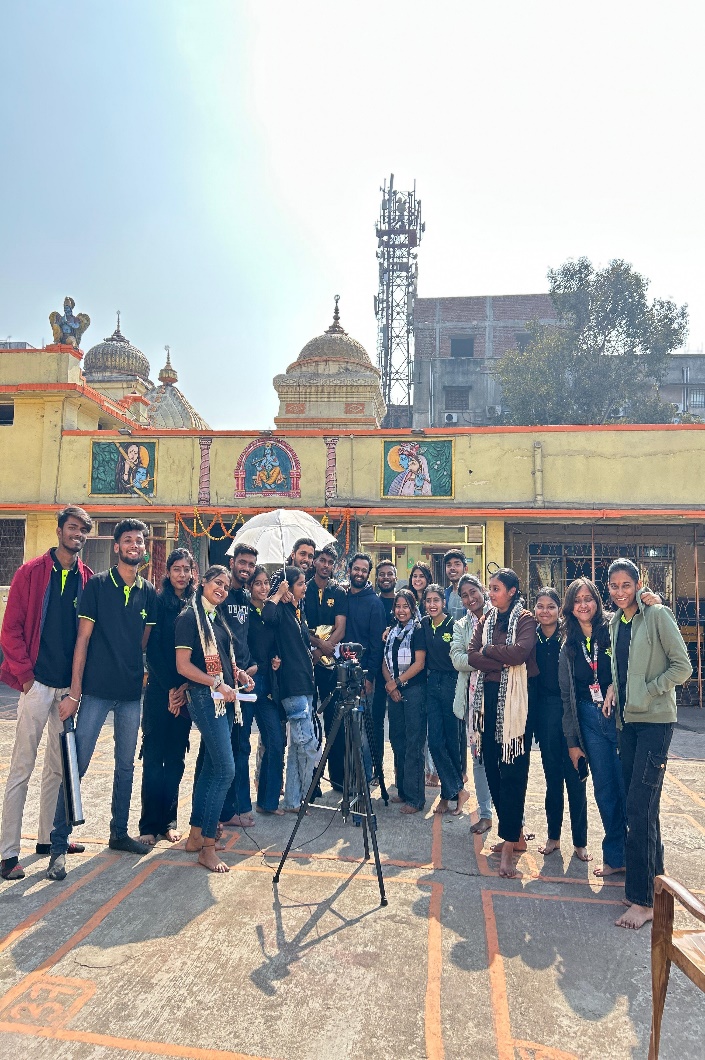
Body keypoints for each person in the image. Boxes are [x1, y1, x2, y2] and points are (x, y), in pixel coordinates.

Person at [46, 519, 159, 881]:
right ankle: (58, 846)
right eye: (128, 540)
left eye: (139, 541)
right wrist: (75, 692)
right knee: (76, 766)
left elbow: (142, 642)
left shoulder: (148, 592)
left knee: (125, 766)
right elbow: (82, 641)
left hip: (130, 695)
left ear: (144, 548)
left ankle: (119, 833)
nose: (134, 545)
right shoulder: (97, 585)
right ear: (116, 547)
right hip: (95, 692)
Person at [0, 506, 93, 881]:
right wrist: (25, 677)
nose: (78, 534)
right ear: (59, 531)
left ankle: (46, 839)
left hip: (66, 691)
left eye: (83, 530)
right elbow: (11, 629)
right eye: (72, 527)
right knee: (22, 767)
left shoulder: (87, 579)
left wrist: (77, 689)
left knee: (58, 767)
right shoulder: (30, 573)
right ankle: (8, 853)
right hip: (36, 684)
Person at [604, 559, 691, 931]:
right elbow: (624, 669)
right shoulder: (615, 623)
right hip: (628, 723)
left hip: (655, 721)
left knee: (639, 809)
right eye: (614, 586)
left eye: (627, 584)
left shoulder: (657, 615)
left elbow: (682, 667)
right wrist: (615, 688)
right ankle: (655, 886)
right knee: (643, 808)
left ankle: (642, 901)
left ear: (638, 584)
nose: (620, 591)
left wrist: (649, 690)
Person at [176, 566, 254, 872]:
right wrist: (216, 684)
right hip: (205, 699)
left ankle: (196, 836)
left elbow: (222, 659)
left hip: (222, 700)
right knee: (225, 770)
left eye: (225, 585)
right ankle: (207, 848)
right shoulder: (189, 618)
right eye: (216, 583)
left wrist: (239, 674)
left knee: (212, 769)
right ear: (203, 583)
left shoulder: (215, 617)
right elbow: (183, 666)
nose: (221, 589)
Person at [468, 568, 537, 878]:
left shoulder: (525, 619)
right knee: (492, 768)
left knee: (513, 771)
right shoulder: (486, 619)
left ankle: (509, 844)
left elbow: (520, 653)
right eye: (490, 588)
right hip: (488, 699)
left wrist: (489, 652)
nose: (490, 593)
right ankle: (514, 832)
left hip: (516, 703)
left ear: (512, 591)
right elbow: (471, 655)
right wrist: (500, 659)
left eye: (496, 588)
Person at [559, 577, 626, 881]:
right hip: (588, 718)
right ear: (570, 607)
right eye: (577, 600)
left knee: (628, 787)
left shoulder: (614, 628)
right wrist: (573, 741)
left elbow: (631, 663)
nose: (583, 605)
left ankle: (639, 859)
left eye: (588, 598)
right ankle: (615, 857)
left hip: (620, 717)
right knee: (605, 789)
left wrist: (614, 686)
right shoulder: (569, 645)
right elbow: (567, 696)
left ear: (597, 602)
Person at [137, 548, 196, 847]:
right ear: (168, 572)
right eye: (177, 569)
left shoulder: (196, 605)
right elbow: (153, 651)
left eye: (186, 569)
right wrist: (172, 689)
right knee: (153, 758)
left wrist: (184, 688)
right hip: (160, 692)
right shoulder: (158, 603)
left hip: (186, 692)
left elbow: (199, 652)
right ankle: (149, 824)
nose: (182, 575)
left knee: (175, 759)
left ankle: (169, 822)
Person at [532, 587, 590, 863]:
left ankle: (580, 841)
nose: (545, 611)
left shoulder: (570, 637)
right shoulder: (530, 637)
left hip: (572, 714)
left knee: (577, 780)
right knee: (552, 780)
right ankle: (553, 836)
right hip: (544, 716)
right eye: (540, 606)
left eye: (551, 606)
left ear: (559, 610)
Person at [205, 542, 258, 828]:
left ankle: (238, 807)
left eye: (251, 564)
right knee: (219, 751)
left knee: (241, 746)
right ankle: (220, 813)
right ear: (232, 562)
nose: (246, 568)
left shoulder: (247, 598)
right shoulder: (220, 597)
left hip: (243, 681)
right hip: (221, 682)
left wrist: (252, 665)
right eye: (243, 562)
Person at [263, 567, 317, 813]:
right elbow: (267, 615)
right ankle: (303, 795)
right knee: (307, 743)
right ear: (287, 586)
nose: (305, 587)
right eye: (300, 583)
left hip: (306, 684)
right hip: (292, 687)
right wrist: (278, 594)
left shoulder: (297, 610)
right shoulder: (280, 610)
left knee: (298, 746)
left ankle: (295, 800)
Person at [451, 574, 494, 834]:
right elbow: (458, 660)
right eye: (464, 596)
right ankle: (486, 814)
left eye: (473, 592)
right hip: (473, 700)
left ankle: (516, 822)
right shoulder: (461, 625)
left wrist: (476, 657)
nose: (470, 599)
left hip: (501, 697)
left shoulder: (500, 616)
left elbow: (511, 654)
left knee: (505, 758)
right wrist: (491, 659)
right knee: (479, 759)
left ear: (483, 590)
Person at [422, 585, 469, 816]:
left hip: (452, 683)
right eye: (428, 600)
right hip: (432, 684)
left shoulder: (454, 625)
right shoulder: (423, 624)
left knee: (453, 742)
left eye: (436, 600)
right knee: (435, 742)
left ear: (443, 602)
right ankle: (457, 790)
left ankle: (448, 795)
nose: (432, 604)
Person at [304, 546, 348, 790]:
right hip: (307, 664)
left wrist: (322, 649)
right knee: (310, 723)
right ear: (315, 562)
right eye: (322, 560)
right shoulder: (303, 588)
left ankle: (338, 779)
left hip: (330, 664)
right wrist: (316, 645)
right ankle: (312, 783)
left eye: (330, 562)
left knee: (334, 721)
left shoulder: (338, 592)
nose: (326, 565)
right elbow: (300, 625)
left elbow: (340, 628)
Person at [382, 588, 427, 814]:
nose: (401, 610)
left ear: (412, 607)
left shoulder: (418, 630)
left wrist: (397, 682)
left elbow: (419, 663)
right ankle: (402, 790)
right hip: (395, 693)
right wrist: (391, 685)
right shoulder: (392, 631)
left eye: (405, 606)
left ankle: (415, 799)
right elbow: (384, 661)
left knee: (413, 744)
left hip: (414, 692)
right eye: (398, 606)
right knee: (397, 740)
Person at [245, 565, 285, 815]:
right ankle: (239, 805)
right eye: (257, 583)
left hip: (268, 684)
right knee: (241, 744)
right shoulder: (244, 611)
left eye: (266, 583)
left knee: (275, 741)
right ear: (250, 586)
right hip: (247, 681)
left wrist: (275, 658)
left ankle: (268, 802)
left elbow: (275, 642)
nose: (262, 587)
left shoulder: (271, 611)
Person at [345, 553, 387, 702]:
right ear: (349, 570)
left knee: (361, 715)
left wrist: (369, 677)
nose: (360, 573)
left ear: (368, 574)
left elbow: (377, 644)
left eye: (364, 571)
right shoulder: (342, 596)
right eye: (356, 569)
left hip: (362, 675)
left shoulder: (375, 604)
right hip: (340, 671)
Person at [370, 560, 397, 774]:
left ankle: (400, 772)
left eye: (389, 574)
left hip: (401, 674)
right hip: (377, 673)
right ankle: (377, 768)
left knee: (398, 727)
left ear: (395, 577)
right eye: (382, 574)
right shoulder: (373, 602)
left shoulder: (403, 601)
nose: (386, 577)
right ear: (376, 578)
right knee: (376, 722)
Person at [444, 550, 468, 621]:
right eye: (449, 565)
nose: (452, 568)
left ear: (465, 569)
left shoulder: (473, 594)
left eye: (457, 564)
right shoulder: (444, 595)